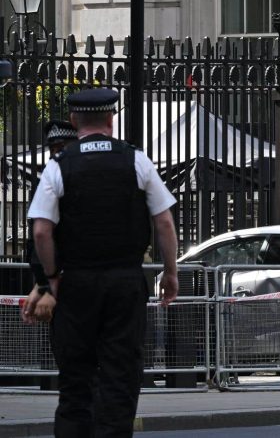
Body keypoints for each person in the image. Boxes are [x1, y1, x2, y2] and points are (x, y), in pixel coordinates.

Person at [27, 88, 179, 437]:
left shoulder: (59, 166)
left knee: (75, 379)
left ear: (74, 120)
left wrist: (50, 278)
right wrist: (171, 272)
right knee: (120, 376)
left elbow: (40, 232)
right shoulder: (136, 160)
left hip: (76, 283)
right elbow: (165, 222)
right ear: (111, 119)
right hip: (125, 282)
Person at [21, 119, 78, 325]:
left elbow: (44, 234)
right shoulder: (49, 178)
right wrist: (42, 284)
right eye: (53, 149)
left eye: (62, 148)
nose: (56, 155)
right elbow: (38, 237)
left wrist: (46, 285)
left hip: (75, 278)